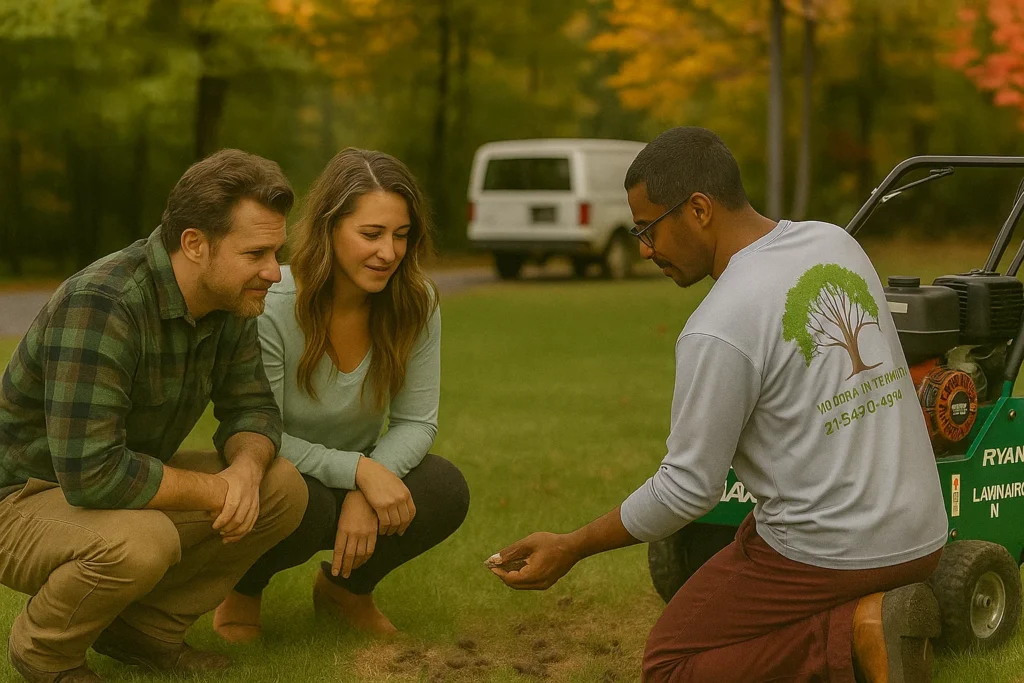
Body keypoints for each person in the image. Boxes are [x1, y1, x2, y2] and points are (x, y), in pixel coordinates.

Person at [488, 127, 948, 683]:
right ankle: (873, 617)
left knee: (670, 666)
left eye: (649, 229)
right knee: (747, 550)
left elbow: (688, 489)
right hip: (924, 538)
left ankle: (855, 631)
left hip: (831, 554)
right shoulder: (834, 243)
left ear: (700, 209)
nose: (643, 249)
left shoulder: (720, 323)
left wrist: (572, 545)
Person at [0, 149, 308, 683]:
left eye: (276, 252)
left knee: (282, 487)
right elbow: (93, 473)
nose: (273, 272)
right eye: (256, 253)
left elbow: (253, 410)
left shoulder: (228, 298)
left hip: (107, 486)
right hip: (21, 499)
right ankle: (45, 653)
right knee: (143, 542)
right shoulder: (103, 302)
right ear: (194, 244)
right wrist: (217, 492)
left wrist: (245, 471)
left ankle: (144, 631)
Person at [212, 148, 469, 643]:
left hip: (358, 473)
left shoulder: (418, 303)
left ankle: (346, 591)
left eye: (401, 235)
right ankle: (241, 591)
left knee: (444, 487)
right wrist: (359, 473)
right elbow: (255, 429)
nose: (389, 253)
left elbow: (417, 422)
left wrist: (365, 487)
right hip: (277, 475)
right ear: (329, 228)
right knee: (303, 503)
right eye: (371, 234)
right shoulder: (271, 302)